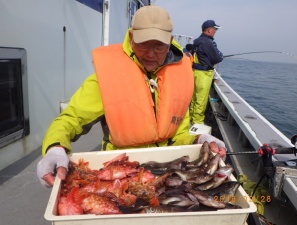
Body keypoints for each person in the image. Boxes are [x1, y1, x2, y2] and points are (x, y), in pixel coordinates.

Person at [36, 6, 226, 187]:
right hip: (119, 171)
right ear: (131, 37)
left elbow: (178, 135)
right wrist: (55, 147)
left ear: (170, 41)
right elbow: (70, 119)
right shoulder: (106, 77)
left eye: (159, 46)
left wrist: (199, 139)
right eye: (143, 44)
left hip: (169, 170)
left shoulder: (180, 75)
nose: (150, 54)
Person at [189, 20, 223, 125]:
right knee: (201, 99)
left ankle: (190, 117)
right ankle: (197, 122)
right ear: (208, 30)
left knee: (194, 97)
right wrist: (220, 55)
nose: (215, 31)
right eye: (214, 29)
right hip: (204, 75)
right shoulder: (208, 42)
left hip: (195, 72)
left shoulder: (197, 41)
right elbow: (217, 58)